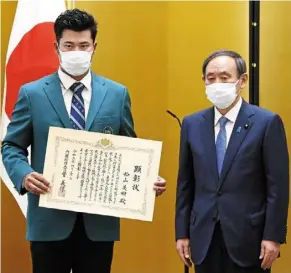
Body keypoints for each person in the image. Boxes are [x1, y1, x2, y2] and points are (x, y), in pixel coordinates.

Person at [1, 9, 166, 273]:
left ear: (94, 47)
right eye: (69, 45)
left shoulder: (116, 93)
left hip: (98, 224)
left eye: (83, 45)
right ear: (57, 47)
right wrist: (24, 175)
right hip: (48, 222)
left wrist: (146, 178)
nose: (76, 51)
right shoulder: (32, 94)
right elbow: (11, 146)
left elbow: (129, 147)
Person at [175, 49, 289, 273]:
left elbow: (278, 187)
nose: (217, 83)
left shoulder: (266, 122)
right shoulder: (192, 124)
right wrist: (182, 233)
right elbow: (185, 184)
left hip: (250, 239)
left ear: (242, 80)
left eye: (224, 77)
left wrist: (273, 237)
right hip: (204, 238)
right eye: (211, 78)